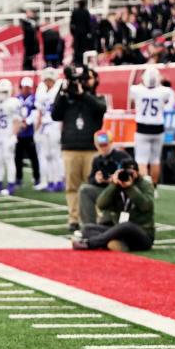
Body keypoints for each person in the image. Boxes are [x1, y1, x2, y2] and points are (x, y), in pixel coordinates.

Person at [52, 65, 106, 232]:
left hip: (91, 149)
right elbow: (55, 114)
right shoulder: (67, 98)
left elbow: (100, 108)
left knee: (93, 186)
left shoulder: (98, 98)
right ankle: (73, 219)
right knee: (72, 187)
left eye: (86, 78)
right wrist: (63, 88)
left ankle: (96, 218)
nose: (82, 82)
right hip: (70, 147)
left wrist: (83, 94)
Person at [73, 158, 154, 252]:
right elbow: (101, 204)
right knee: (87, 228)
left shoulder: (145, 185)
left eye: (131, 173)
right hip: (119, 231)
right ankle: (117, 243)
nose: (128, 175)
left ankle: (90, 243)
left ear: (137, 172)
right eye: (125, 172)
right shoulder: (117, 185)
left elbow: (146, 206)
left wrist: (130, 188)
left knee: (127, 226)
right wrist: (113, 185)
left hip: (141, 233)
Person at [128, 67, 175, 187]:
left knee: (141, 160)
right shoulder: (165, 91)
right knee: (155, 160)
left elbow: (133, 96)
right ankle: (154, 188)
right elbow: (170, 106)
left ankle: (145, 187)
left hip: (143, 127)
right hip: (158, 127)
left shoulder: (136, 89)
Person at [78, 130, 131, 227]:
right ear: (96, 145)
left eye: (105, 145)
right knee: (84, 190)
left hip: (121, 191)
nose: (103, 148)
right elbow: (90, 179)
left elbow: (133, 173)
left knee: (108, 223)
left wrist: (116, 179)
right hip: (105, 191)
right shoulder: (97, 160)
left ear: (111, 143)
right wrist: (97, 179)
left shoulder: (121, 156)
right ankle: (88, 227)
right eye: (100, 145)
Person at [33, 67, 64, 191]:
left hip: (55, 124)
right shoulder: (41, 90)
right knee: (46, 155)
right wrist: (37, 128)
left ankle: (59, 180)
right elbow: (40, 111)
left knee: (55, 154)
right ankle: (50, 180)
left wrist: (62, 127)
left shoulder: (59, 88)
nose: (47, 82)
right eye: (46, 79)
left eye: (49, 79)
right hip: (45, 126)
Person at [0, 79, 21, 195]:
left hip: (8, 135)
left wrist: (13, 136)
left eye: (4, 92)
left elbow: (17, 120)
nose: (2, 94)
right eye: (0, 92)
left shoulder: (13, 102)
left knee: (8, 159)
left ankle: (11, 184)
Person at [15, 77, 41, 188]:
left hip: (30, 133)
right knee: (18, 157)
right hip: (19, 133)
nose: (26, 89)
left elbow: (35, 113)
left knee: (33, 157)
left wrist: (27, 122)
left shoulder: (34, 99)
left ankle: (37, 177)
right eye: (25, 87)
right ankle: (18, 178)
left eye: (28, 87)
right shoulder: (16, 99)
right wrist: (20, 122)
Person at [71, 0, 93, 66]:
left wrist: (73, 32)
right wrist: (89, 32)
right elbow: (88, 24)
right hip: (84, 33)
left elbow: (72, 24)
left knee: (77, 48)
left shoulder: (75, 12)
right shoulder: (86, 12)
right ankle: (83, 62)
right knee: (83, 48)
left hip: (77, 33)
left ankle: (77, 61)